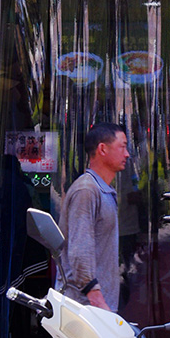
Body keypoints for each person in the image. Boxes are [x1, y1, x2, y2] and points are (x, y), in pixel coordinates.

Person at [58, 123, 129, 311]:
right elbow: (80, 251)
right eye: (122, 146)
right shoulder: (86, 190)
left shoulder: (101, 190)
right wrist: (97, 301)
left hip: (95, 308)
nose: (127, 154)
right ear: (102, 149)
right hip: (84, 308)